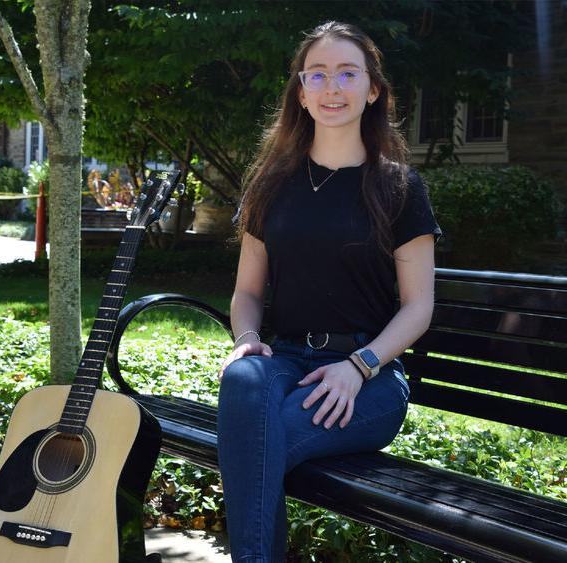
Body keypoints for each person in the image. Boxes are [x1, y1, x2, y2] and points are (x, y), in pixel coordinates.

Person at [217, 20, 443, 563]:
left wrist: (359, 365)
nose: (332, 87)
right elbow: (247, 292)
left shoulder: (398, 187)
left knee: (254, 441)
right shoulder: (271, 184)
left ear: (372, 91)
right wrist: (248, 337)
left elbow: (419, 306)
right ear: (301, 91)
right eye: (317, 74)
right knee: (242, 377)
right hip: (284, 359)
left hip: (370, 379)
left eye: (347, 73)